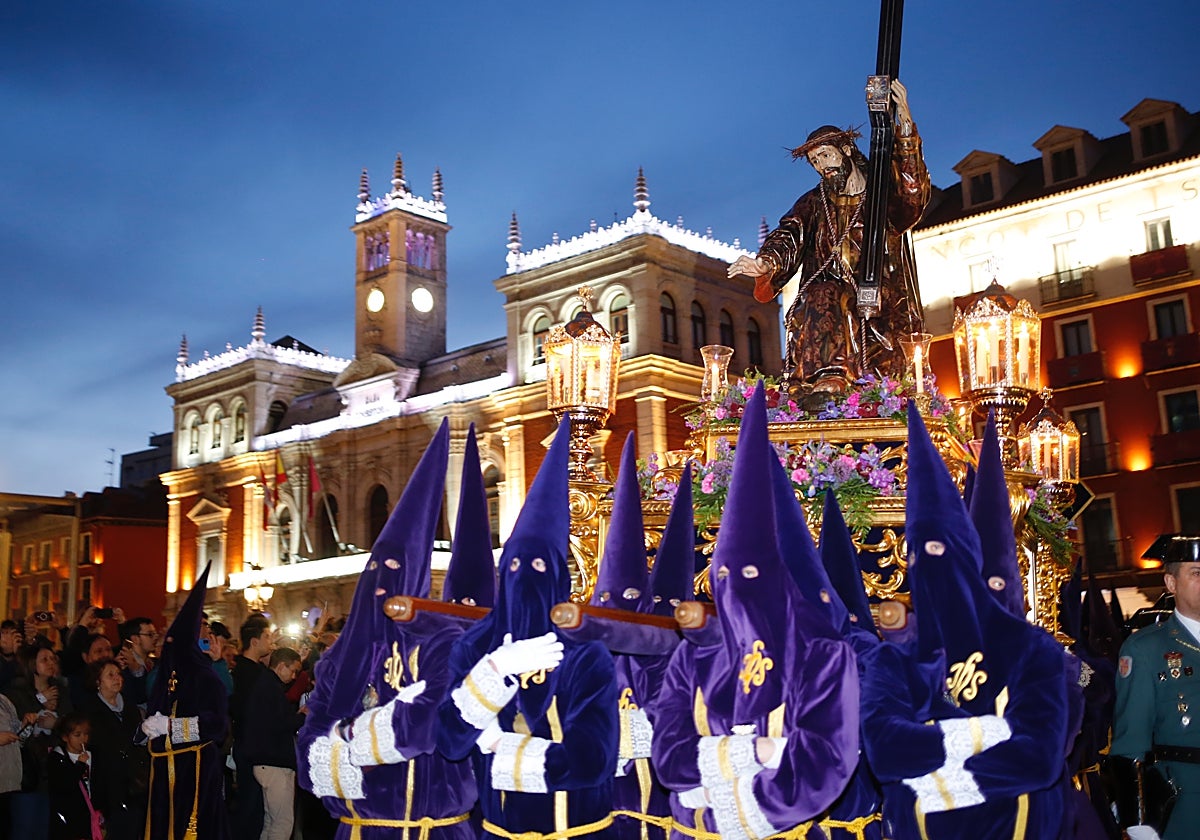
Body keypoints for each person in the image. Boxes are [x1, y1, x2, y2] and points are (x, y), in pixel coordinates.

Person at [651, 384, 861, 839]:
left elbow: (824, 763)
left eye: (748, 575)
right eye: (723, 578)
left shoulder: (821, 655)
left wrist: (721, 788)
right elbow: (668, 759)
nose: (735, 591)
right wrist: (759, 750)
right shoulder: (693, 657)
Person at [859, 403, 1070, 839]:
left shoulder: (1030, 648)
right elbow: (885, 751)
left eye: (939, 552)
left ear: (967, 557)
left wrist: (937, 779)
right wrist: (989, 732)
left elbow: (1039, 756)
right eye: (917, 556)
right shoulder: (894, 659)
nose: (927, 566)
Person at [298, 419, 484, 840]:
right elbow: (310, 749)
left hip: (432, 829)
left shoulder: (442, 643)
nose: (384, 580)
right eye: (377, 568)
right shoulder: (336, 661)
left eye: (398, 570)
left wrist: (345, 738)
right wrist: (347, 743)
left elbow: (424, 729)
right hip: (359, 828)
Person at [438, 416, 619, 840]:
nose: (524, 576)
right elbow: (448, 739)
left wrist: (503, 749)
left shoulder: (584, 653)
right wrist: (493, 672)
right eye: (515, 565)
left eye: (538, 567)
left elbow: (593, 760)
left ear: (557, 577)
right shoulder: (475, 647)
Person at [727, 81, 929, 395]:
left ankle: (844, 378)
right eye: (815, 162)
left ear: (846, 149)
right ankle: (829, 377)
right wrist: (765, 262)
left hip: (882, 292)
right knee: (824, 293)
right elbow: (790, 233)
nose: (822, 166)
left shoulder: (883, 192)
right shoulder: (814, 202)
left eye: (825, 155)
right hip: (831, 294)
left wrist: (903, 121)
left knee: (836, 294)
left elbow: (913, 194)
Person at [1112, 535, 1200, 839]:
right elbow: (1129, 743)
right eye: (1197, 573)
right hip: (1187, 805)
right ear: (1171, 583)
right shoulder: (1145, 649)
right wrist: (1139, 822)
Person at [141, 564, 230, 840]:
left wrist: (172, 727)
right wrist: (147, 729)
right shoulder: (166, 675)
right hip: (165, 772)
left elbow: (217, 725)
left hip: (196, 770)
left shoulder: (206, 677)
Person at [5, 641, 72, 840]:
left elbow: (71, 721)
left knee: (45, 828)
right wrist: (39, 700)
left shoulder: (61, 690)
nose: (51, 663)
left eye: (53, 659)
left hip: (54, 769)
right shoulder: (16, 691)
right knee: (24, 827)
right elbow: (16, 720)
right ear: (32, 665)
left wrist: (57, 722)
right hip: (28, 768)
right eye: (44, 659)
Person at [241, 648, 304, 840]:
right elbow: (279, 724)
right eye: (293, 671)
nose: (294, 676)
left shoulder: (266, 684)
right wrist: (302, 716)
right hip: (274, 761)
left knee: (271, 821)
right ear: (282, 666)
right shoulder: (269, 688)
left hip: (264, 761)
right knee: (283, 824)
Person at [80, 661, 145, 840]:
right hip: (108, 784)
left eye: (118, 674)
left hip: (135, 782)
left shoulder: (130, 708)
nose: (117, 678)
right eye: (110, 675)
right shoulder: (89, 710)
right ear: (97, 681)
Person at [230, 613, 272, 840]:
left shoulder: (253, 670)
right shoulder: (247, 673)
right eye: (266, 636)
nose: (270, 641)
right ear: (254, 642)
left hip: (253, 745)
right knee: (250, 805)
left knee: (255, 806)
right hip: (251, 746)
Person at [46, 712, 100, 840]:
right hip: (70, 818)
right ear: (65, 737)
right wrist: (80, 765)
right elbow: (63, 786)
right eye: (77, 735)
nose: (83, 739)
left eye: (86, 734)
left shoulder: (95, 754)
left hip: (91, 814)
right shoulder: (57, 758)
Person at [115, 617, 157, 713]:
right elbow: (136, 697)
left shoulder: (153, 662)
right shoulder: (122, 663)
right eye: (150, 634)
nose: (155, 638)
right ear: (135, 639)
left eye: (155, 634)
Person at [0, 621, 23, 692]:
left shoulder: (23, 659)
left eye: (9, 633)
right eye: (3, 632)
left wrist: (18, 654)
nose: (4, 636)